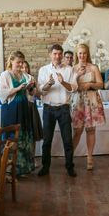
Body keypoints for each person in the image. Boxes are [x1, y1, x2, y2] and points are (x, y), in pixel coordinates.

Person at [37, 44, 78, 177]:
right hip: (48, 109)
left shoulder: (69, 69)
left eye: (60, 54)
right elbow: (40, 91)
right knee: (47, 140)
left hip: (63, 108)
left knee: (67, 140)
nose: (58, 56)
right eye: (55, 54)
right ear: (50, 54)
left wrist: (63, 82)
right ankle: (45, 167)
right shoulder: (43, 70)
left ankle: (70, 167)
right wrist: (49, 83)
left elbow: (73, 88)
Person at [0, 51, 35, 175]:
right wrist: (18, 88)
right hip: (11, 109)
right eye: (18, 62)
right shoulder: (5, 75)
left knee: (23, 135)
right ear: (11, 61)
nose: (20, 65)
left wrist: (30, 87)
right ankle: (9, 170)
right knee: (11, 137)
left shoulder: (24, 75)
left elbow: (31, 94)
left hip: (23, 108)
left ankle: (23, 168)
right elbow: (1, 93)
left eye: (22, 62)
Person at [71, 43, 105, 171]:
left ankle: (90, 157)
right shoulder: (72, 68)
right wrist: (78, 76)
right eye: (80, 53)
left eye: (84, 53)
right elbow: (70, 87)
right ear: (76, 54)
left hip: (91, 100)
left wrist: (90, 84)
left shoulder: (94, 67)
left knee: (91, 130)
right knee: (78, 131)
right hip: (78, 101)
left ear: (87, 54)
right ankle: (71, 156)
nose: (82, 55)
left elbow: (101, 84)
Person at [22, 60, 43, 163]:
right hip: (23, 106)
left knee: (33, 133)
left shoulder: (32, 79)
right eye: (22, 67)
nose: (25, 69)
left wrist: (34, 89)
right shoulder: (18, 79)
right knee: (25, 134)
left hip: (31, 106)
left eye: (26, 67)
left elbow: (37, 94)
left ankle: (32, 158)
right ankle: (25, 160)